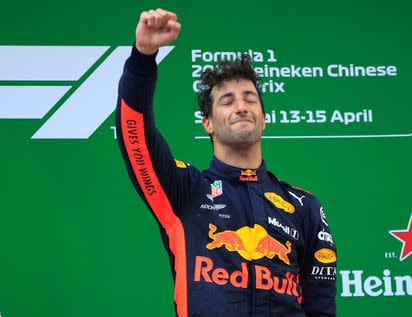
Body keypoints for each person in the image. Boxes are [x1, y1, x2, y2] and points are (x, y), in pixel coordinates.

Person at [116, 8, 337, 317]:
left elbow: (321, 307)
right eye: (227, 101)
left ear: (264, 118)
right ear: (207, 123)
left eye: (250, 99)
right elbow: (135, 137)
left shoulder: (304, 206)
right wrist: (142, 58)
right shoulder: (184, 189)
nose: (241, 107)